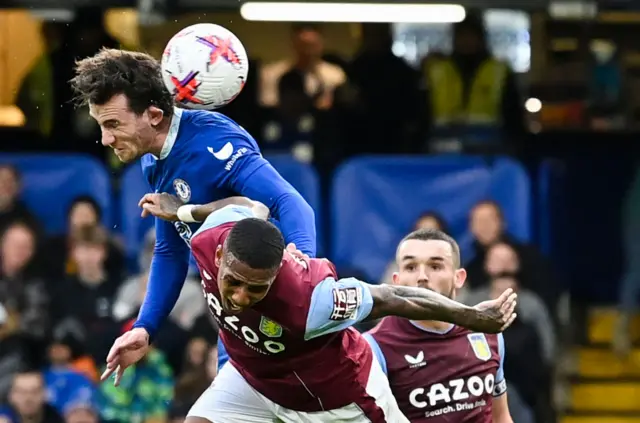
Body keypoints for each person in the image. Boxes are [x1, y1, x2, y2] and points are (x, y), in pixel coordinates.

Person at [127, 193, 517, 423]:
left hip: (337, 398)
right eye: (234, 281)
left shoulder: (313, 298)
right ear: (218, 255)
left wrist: (473, 317)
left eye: (257, 288)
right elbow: (251, 206)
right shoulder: (212, 234)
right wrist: (182, 210)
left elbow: (392, 297)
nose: (241, 297)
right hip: (253, 376)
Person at [69, 48, 317, 374]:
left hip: (279, 312)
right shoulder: (153, 159)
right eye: (100, 124)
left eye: (113, 123)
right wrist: (145, 327)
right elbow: (170, 251)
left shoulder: (213, 143)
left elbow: (290, 204)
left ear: (154, 116)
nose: (104, 138)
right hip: (234, 324)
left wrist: (305, 279)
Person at [364, 228, 513, 422]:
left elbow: (501, 416)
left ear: (458, 278)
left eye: (435, 266)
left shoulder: (487, 332)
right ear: (396, 281)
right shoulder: (374, 347)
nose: (422, 276)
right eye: (411, 267)